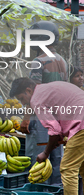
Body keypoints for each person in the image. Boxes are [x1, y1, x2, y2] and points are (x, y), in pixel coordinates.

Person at [10, 78, 84, 195]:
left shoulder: (36, 100)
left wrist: (45, 152)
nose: (23, 103)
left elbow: (54, 130)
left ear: (28, 90)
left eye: (22, 99)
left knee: (67, 169)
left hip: (81, 126)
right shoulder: (44, 89)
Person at [21, 21, 67, 185]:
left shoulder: (38, 61)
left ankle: (39, 193)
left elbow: (35, 93)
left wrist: (26, 118)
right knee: (56, 161)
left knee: (38, 162)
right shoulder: (63, 61)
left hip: (41, 120)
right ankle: (57, 192)